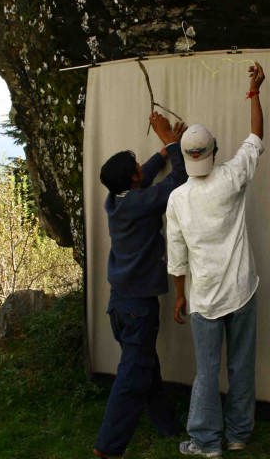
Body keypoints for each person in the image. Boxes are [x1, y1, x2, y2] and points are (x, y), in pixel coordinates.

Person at [166, 62, 266, 458]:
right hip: (242, 290)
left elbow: (177, 257)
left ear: (186, 157)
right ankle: (238, 434)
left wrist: (180, 295)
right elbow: (256, 137)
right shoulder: (231, 177)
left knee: (207, 371)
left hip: (205, 299)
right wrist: (255, 92)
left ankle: (207, 443)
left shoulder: (177, 199)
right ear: (215, 152)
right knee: (241, 364)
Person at [93, 111, 188, 459]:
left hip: (120, 306)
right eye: (135, 168)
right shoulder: (139, 203)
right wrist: (172, 143)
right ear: (131, 180)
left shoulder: (115, 200)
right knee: (133, 375)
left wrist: (161, 154)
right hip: (137, 307)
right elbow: (177, 182)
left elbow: (145, 177)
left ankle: (166, 425)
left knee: (145, 365)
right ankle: (108, 447)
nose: (140, 170)